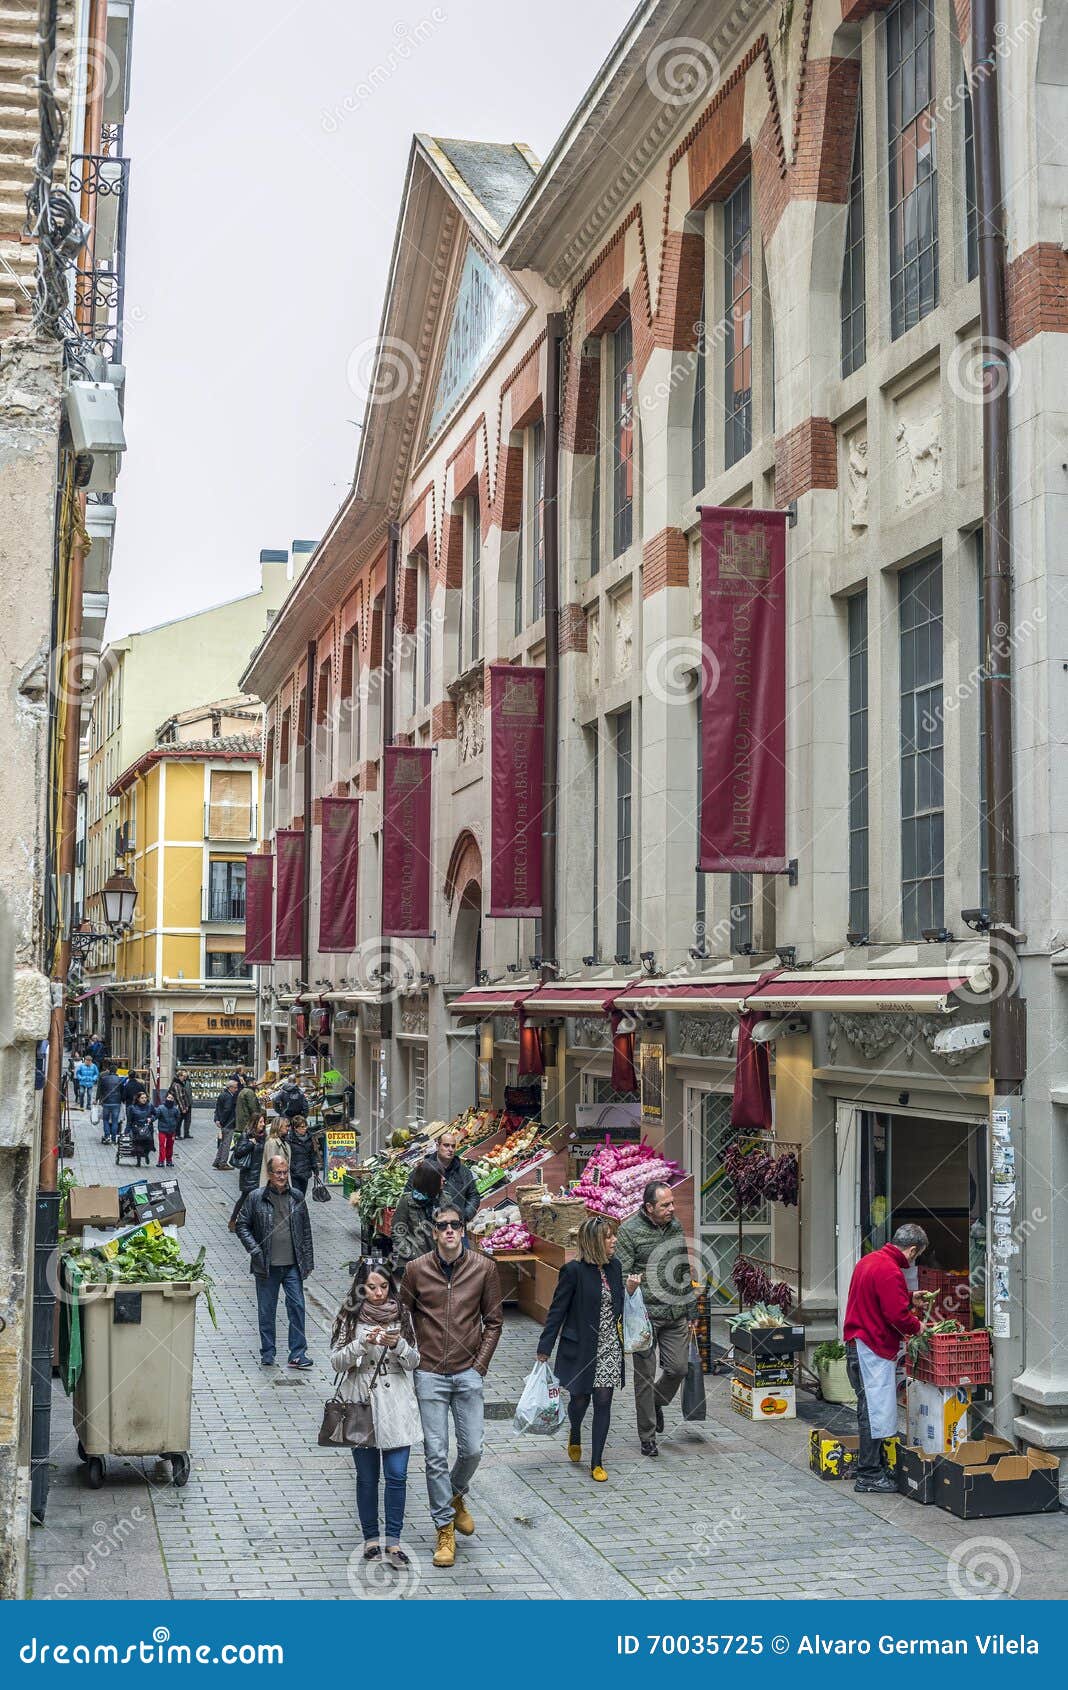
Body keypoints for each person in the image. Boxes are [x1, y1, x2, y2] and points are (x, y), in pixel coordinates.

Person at [399, 1202, 502, 1568]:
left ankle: (456, 1494)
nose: (449, 1231)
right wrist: (414, 1353)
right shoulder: (416, 1270)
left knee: (473, 1449)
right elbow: (404, 1313)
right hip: (429, 1373)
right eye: (442, 1225)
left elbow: (493, 1321)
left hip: (467, 1372)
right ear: (433, 1232)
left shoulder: (483, 1269)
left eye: (455, 1225)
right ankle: (444, 1527)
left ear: (463, 1230)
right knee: (435, 1455)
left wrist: (480, 1366)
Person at [329, 1261, 421, 1568]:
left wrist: (399, 1345)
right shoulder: (349, 1315)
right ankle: (371, 1538)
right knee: (367, 1477)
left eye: (383, 1287)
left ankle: (393, 1542)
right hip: (361, 1401)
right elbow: (336, 1361)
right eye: (371, 1287)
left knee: (397, 1475)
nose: (378, 1293)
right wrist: (361, 1343)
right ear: (361, 1288)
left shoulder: (403, 1314)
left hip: (397, 1401)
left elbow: (415, 1361)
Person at [536, 1213, 624, 1482]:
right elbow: (557, 1311)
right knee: (579, 1400)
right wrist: (545, 1347)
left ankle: (597, 1462)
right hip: (582, 1347)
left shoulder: (615, 1267)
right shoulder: (573, 1271)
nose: (614, 1241)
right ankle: (575, 1430)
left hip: (609, 1345)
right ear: (595, 1241)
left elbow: (618, 1305)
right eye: (608, 1237)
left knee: (604, 1400)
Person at [615, 1180, 698, 1457]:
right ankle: (647, 1436)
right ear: (649, 1207)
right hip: (645, 1318)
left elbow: (683, 1267)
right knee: (645, 1378)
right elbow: (622, 1273)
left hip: (675, 1314)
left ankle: (657, 1403)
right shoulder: (629, 1231)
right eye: (665, 1205)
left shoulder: (674, 1226)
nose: (672, 1209)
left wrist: (691, 1309)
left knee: (678, 1369)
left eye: (672, 1203)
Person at [843, 1223, 927, 1493]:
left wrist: (910, 1297)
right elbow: (896, 1315)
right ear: (912, 1249)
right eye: (917, 1255)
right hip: (872, 1348)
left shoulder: (869, 1261)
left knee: (869, 1408)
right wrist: (918, 1327)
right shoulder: (891, 1270)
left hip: (859, 1344)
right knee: (873, 1411)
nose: (913, 1261)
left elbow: (878, 1298)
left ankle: (873, 1466)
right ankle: (868, 1475)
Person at [234, 1154, 314, 1370]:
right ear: (269, 1174)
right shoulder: (256, 1197)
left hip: (292, 1265)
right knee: (266, 1311)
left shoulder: (296, 1196)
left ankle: (298, 1354)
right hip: (266, 1265)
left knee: (297, 1305)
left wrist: (307, 1262)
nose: (282, 1176)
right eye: (278, 1172)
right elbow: (241, 1225)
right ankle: (268, 1353)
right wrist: (255, 1250)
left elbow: (306, 1231)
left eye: (285, 1172)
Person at [406, 1128, 478, 1224]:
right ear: (437, 1146)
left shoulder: (464, 1172)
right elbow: (408, 1193)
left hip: (456, 1228)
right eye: (446, 1145)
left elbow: (474, 1196)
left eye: (453, 1146)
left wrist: (464, 1216)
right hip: (427, 1230)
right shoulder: (423, 1169)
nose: (450, 1149)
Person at [391, 1161, 443, 1268]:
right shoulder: (407, 1201)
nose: (444, 1180)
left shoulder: (445, 1200)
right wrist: (411, 1254)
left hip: (438, 1263)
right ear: (430, 1180)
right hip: (412, 1264)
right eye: (440, 1177)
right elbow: (397, 1232)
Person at [229, 1112, 269, 1229]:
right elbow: (238, 1152)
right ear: (254, 1123)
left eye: (263, 1122)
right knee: (245, 1197)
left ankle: (253, 1223)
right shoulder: (246, 1135)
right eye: (260, 1122)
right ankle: (233, 1220)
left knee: (258, 1198)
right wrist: (251, 1144)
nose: (263, 1124)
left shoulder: (264, 1136)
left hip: (260, 1172)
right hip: (249, 1173)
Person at [288, 1116, 322, 1197]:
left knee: (302, 1195)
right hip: (294, 1174)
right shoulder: (290, 1139)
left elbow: (312, 1154)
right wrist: (292, 1167)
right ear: (295, 1128)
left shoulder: (309, 1138)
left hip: (305, 1172)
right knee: (297, 1196)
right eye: (302, 1127)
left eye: (305, 1126)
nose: (305, 1128)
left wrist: (315, 1168)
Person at [212, 1077, 239, 1169]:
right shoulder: (229, 1097)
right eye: (235, 1087)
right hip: (228, 1123)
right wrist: (223, 1121)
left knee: (223, 1143)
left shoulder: (222, 1094)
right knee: (226, 1143)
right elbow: (227, 1110)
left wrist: (217, 1119)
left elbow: (217, 1108)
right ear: (230, 1088)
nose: (236, 1089)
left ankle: (217, 1161)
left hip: (223, 1122)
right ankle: (223, 1163)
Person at [96, 1063, 124, 1146]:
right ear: (116, 1071)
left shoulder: (103, 1079)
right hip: (116, 1102)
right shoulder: (120, 1080)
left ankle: (107, 1136)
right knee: (115, 1121)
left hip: (106, 1102)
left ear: (108, 1070)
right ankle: (114, 1138)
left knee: (106, 1120)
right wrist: (122, 1100)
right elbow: (122, 1091)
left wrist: (97, 1099)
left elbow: (99, 1090)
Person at [126, 1091, 156, 1169]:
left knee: (148, 1144)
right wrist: (127, 1130)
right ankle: (138, 1161)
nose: (144, 1099)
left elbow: (155, 1114)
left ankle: (146, 1155)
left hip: (147, 1128)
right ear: (138, 1099)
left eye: (145, 1098)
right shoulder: (132, 1108)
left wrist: (151, 1119)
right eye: (142, 1098)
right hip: (136, 1128)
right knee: (138, 1145)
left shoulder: (150, 1106)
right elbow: (129, 1120)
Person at [260, 1115, 292, 1184]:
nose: (288, 1128)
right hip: (275, 1183)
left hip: (282, 1181)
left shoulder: (285, 1142)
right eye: (286, 1126)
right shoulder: (272, 1143)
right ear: (279, 1127)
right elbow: (271, 1167)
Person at [155, 1089, 182, 1169]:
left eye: (172, 1098)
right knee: (162, 1145)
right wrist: (150, 1119)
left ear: (174, 1100)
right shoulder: (161, 1108)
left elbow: (178, 1118)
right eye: (169, 1097)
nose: (170, 1099)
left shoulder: (175, 1109)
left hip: (171, 1130)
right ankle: (161, 1161)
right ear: (166, 1098)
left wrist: (175, 1127)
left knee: (170, 1146)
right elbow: (156, 1116)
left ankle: (169, 1160)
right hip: (162, 1130)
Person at [235, 1075, 261, 1140]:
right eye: (255, 1083)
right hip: (246, 1120)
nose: (256, 1084)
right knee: (247, 1138)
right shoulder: (249, 1092)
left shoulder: (244, 1090)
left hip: (242, 1120)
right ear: (251, 1083)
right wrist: (257, 1118)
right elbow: (253, 1107)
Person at [171, 1070, 194, 1138]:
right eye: (183, 1076)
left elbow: (188, 1094)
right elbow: (179, 1097)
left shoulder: (187, 1082)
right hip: (180, 1105)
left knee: (188, 1120)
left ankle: (186, 1133)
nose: (184, 1077)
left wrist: (189, 1104)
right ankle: (177, 1134)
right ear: (179, 1076)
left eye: (185, 1076)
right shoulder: (177, 1084)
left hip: (187, 1104)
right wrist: (183, 1107)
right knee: (179, 1120)